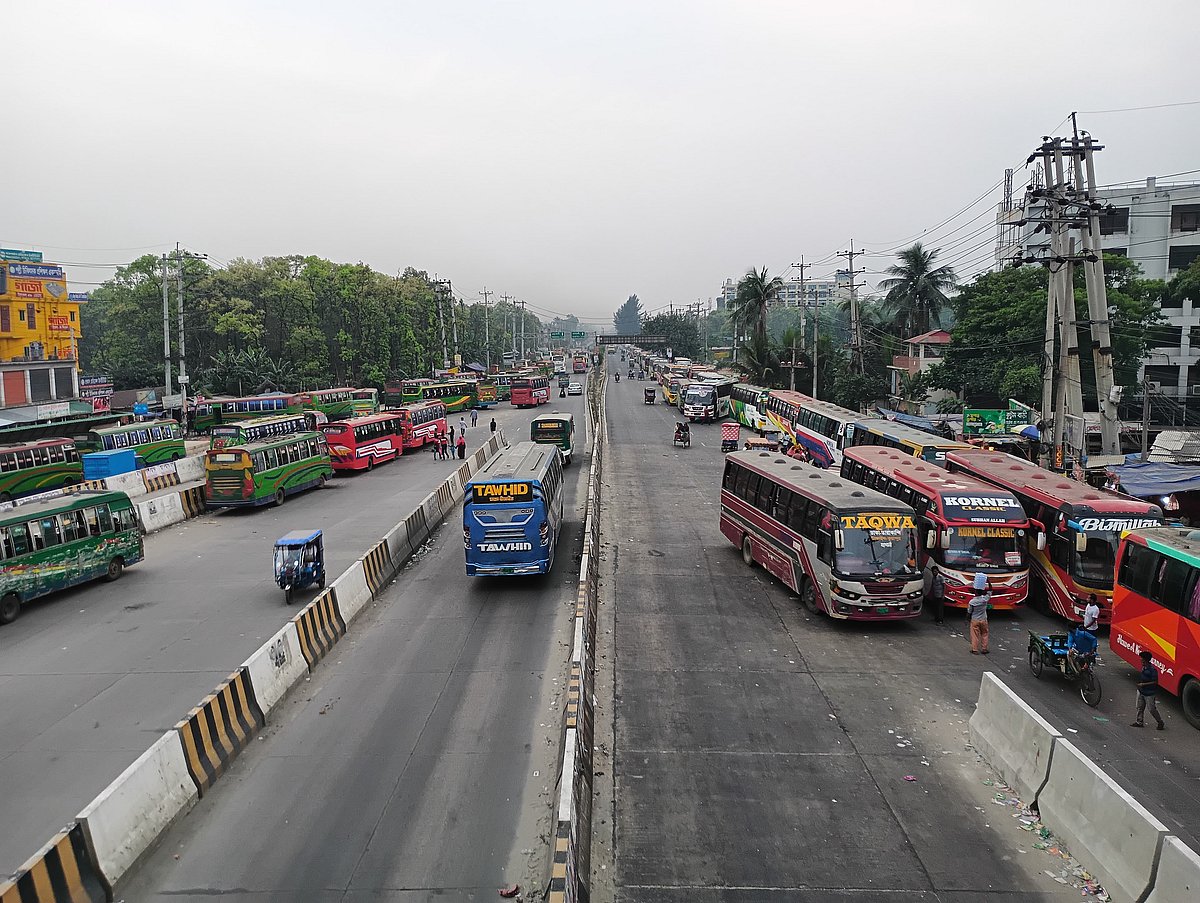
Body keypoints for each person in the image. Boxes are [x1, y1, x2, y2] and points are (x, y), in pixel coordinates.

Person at [1131, 650, 1166, 730]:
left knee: (1151, 709)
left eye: (1142, 659)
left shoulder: (1152, 670)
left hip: (1149, 693)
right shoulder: (1144, 667)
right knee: (1139, 707)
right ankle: (1139, 722)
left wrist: (1143, 684)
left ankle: (1160, 722)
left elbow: (1155, 682)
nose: (1140, 660)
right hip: (1141, 691)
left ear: (1145, 660)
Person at [967, 586, 990, 655]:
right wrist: (988, 581)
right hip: (983, 619)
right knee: (984, 633)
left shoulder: (972, 602)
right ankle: (984, 649)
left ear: (975, 592)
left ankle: (975, 649)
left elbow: (969, 612)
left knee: (974, 635)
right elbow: (990, 591)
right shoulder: (985, 599)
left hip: (975, 620)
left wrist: (967, 619)